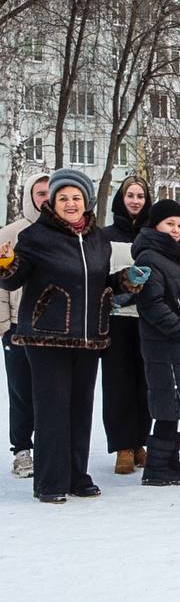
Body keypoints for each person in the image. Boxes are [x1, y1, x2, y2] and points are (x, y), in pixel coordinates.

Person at [0, 169, 144, 503]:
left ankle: (78, 475)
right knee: (52, 410)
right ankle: (50, 482)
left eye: (76, 197)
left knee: (80, 409)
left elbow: (102, 285)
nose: (70, 203)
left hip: (89, 337)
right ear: (52, 202)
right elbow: (14, 279)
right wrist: (5, 262)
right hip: (46, 337)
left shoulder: (97, 239)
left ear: (86, 201)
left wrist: (127, 280)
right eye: (63, 198)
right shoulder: (36, 236)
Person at [131, 199, 180, 486]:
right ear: (155, 225)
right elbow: (151, 304)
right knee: (168, 401)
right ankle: (156, 467)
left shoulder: (168, 255)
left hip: (174, 343)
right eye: (170, 224)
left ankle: (168, 460)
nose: (176, 230)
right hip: (165, 344)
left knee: (173, 402)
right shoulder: (150, 257)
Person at [101, 175, 154, 475]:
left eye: (140, 196)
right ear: (121, 199)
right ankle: (122, 445)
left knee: (145, 383)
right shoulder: (105, 235)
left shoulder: (152, 234)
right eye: (130, 195)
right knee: (119, 384)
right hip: (116, 319)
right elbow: (101, 275)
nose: (135, 201)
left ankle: (140, 443)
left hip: (146, 320)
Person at [0, 171, 48, 479]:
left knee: (49, 391)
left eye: (49, 192)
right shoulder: (11, 233)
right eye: (39, 193)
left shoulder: (65, 232)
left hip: (53, 327)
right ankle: (22, 449)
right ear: (30, 196)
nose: (45, 198)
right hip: (18, 324)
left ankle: (48, 445)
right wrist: (5, 325)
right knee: (20, 391)